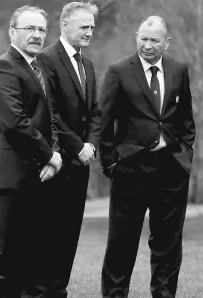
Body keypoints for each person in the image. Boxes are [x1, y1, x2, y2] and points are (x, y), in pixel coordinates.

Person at [99, 16, 195, 298]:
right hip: (130, 168)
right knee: (122, 241)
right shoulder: (119, 71)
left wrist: (185, 154)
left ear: (167, 42)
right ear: (136, 37)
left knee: (168, 242)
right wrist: (111, 163)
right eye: (143, 38)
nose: (148, 45)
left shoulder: (178, 70)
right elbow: (103, 120)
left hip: (172, 168)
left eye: (154, 40)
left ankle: (164, 294)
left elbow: (186, 120)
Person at [0, 5, 62, 298]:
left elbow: (48, 119)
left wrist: (52, 155)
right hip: (9, 175)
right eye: (30, 29)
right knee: (2, 254)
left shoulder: (37, 68)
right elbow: (15, 122)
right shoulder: (3, 67)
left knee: (28, 254)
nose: (37, 35)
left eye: (41, 29)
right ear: (12, 32)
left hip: (34, 174)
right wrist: (49, 155)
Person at [36, 2, 100, 297]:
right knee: (48, 233)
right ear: (64, 26)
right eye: (84, 26)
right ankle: (43, 290)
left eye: (92, 26)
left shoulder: (86, 64)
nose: (90, 31)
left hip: (81, 164)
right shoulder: (46, 59)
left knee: (70, 234)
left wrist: (91, 146)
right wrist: (76, 147)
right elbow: (50, 112)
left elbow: (95, 113)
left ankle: (59, 290)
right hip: (57, 160)